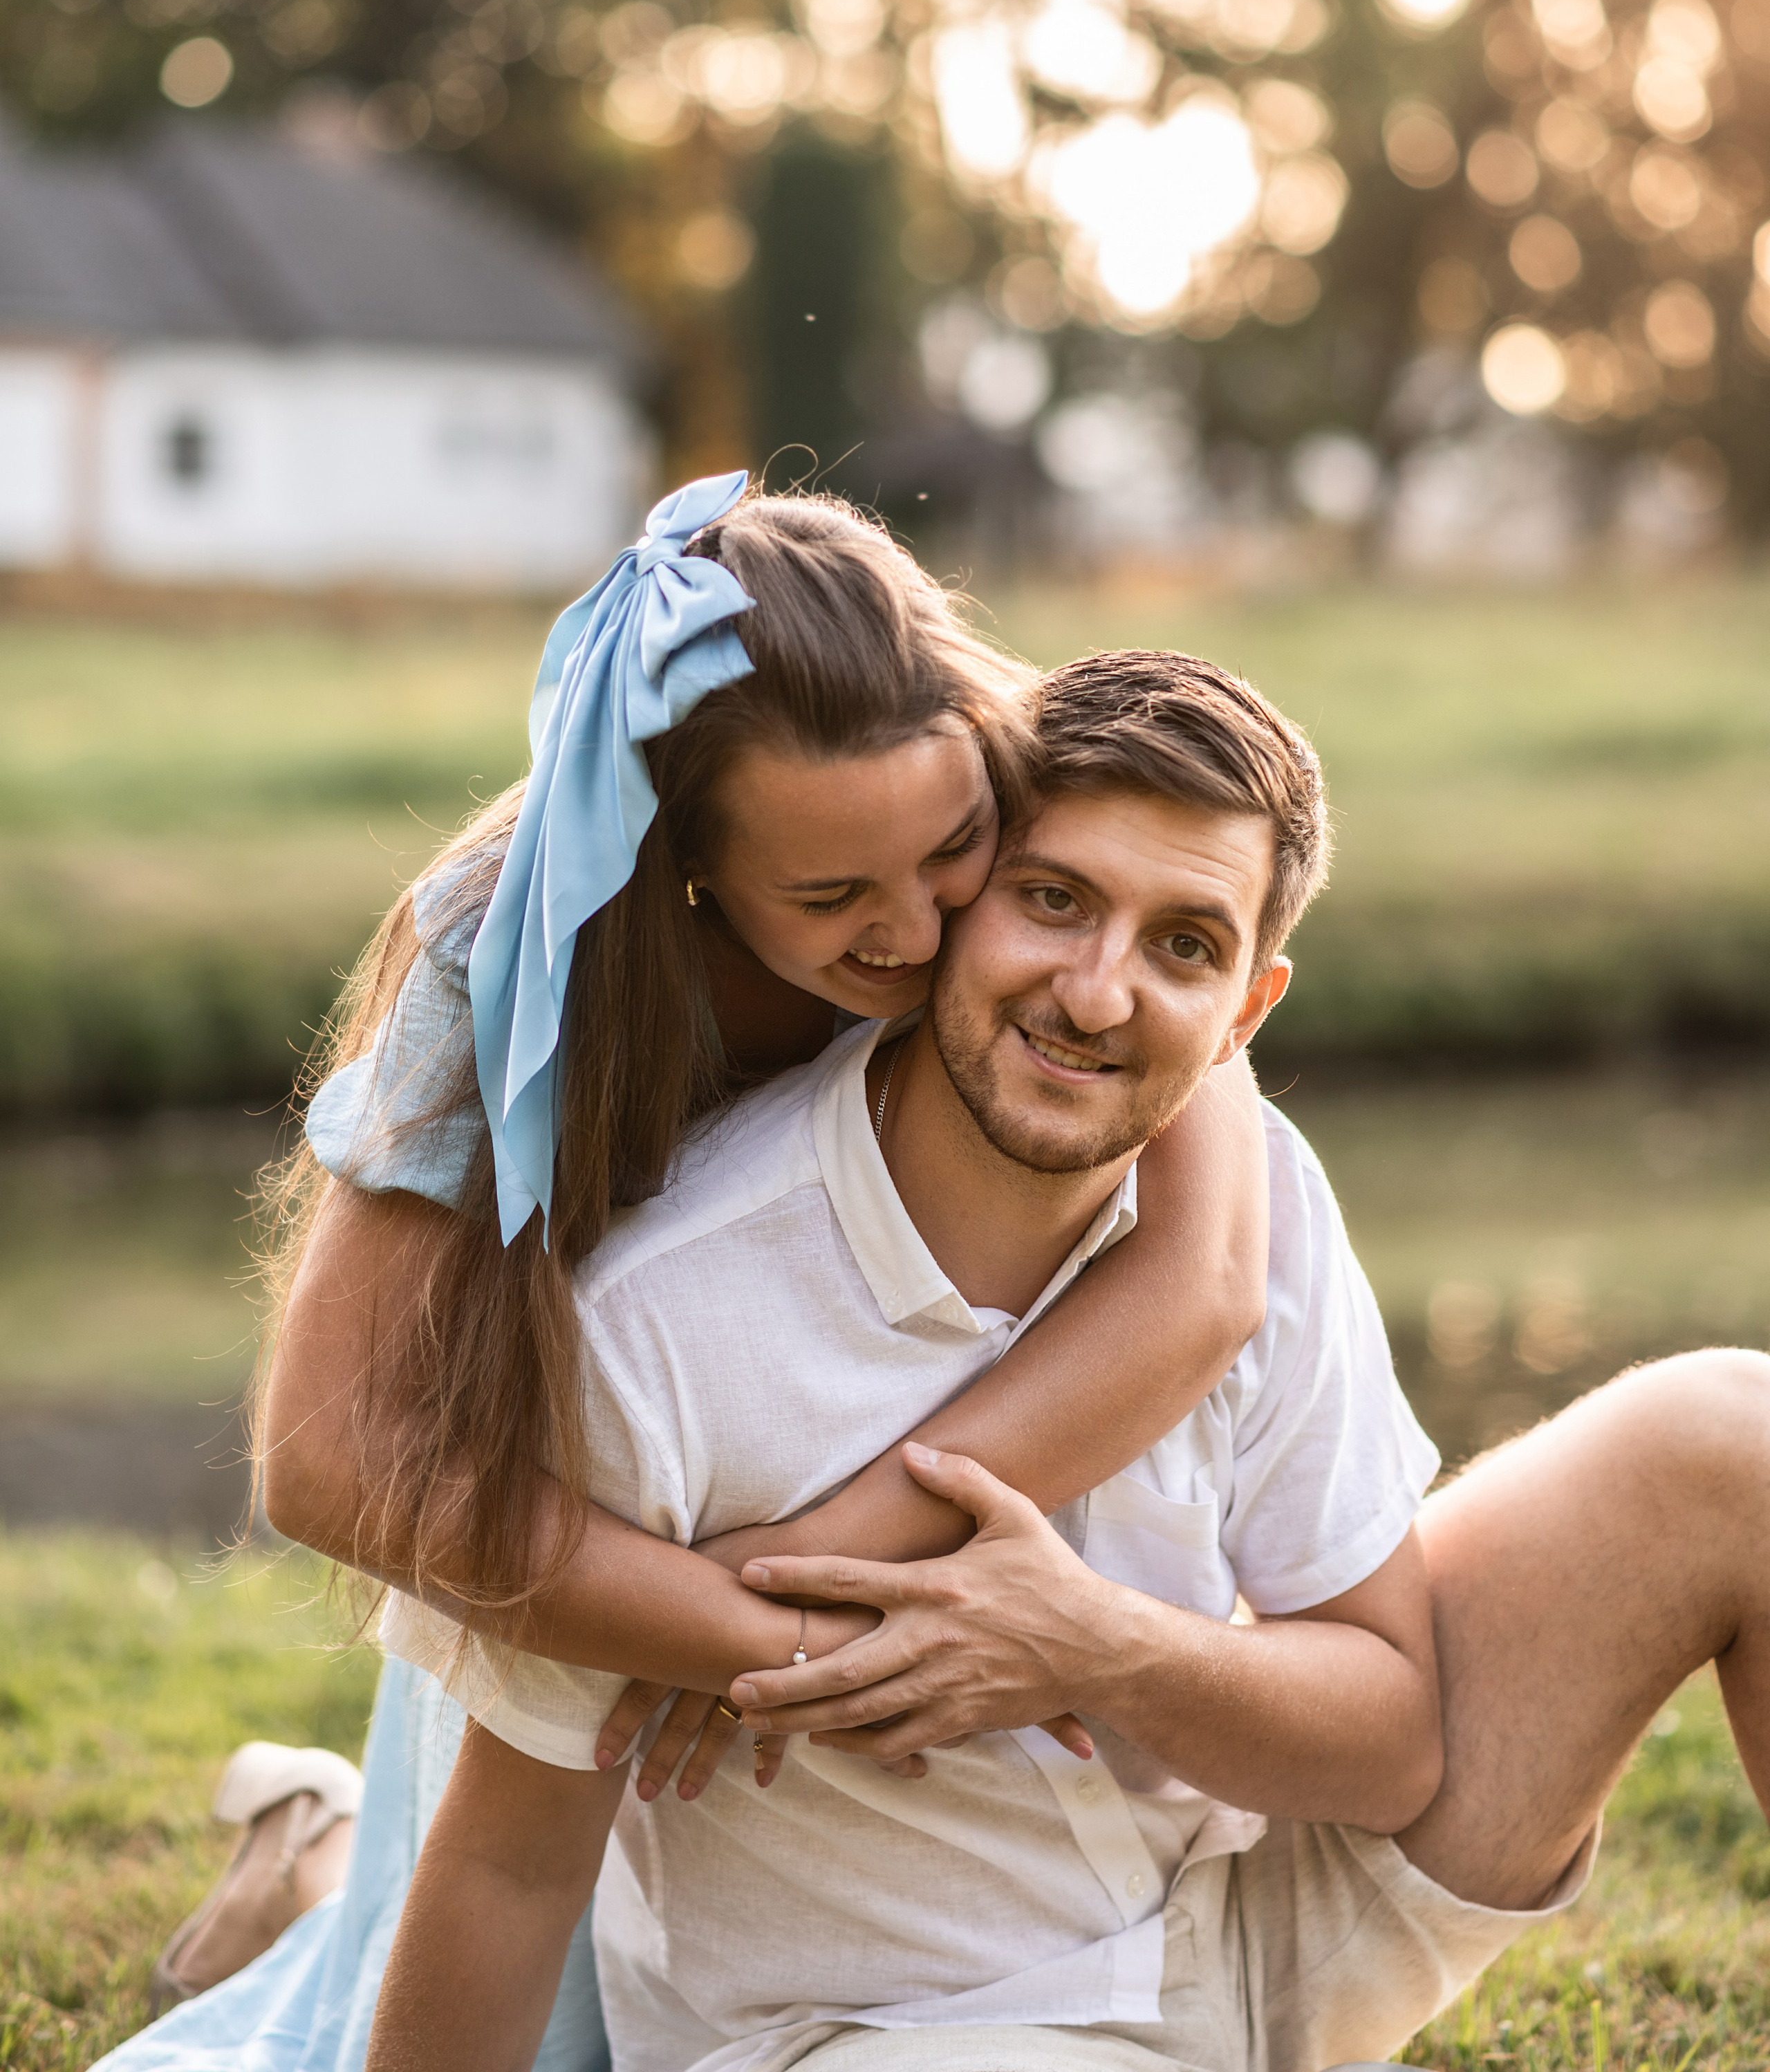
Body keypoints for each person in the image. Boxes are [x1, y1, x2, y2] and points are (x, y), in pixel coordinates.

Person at [366, 646, 1770, 2072]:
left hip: (1255, 1915)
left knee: (1739, 1438)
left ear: (1245, 1012)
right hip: (895, 2028)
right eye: (1054, 901)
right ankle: (305, 1864)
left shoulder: (1252, 1201)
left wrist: (1093, 1650)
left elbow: (1392, 1737)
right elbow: (507, 1870)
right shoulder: (664, 1321)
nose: (1097, 995)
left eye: (1182, 944)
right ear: (948, 904)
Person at [99, 480, 1269, 2072]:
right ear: (689, 869)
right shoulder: (514, 948)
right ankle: (310, 1854)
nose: (923, 935)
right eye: (831, 900)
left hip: (812, 1511)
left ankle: (314, 1843)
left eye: (948, 858)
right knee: (487, 1975)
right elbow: (326, 1461)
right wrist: (748, 1643)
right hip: (590, 1533)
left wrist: (820, 1585)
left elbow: (1196, 1290)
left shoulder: (1042, 816)